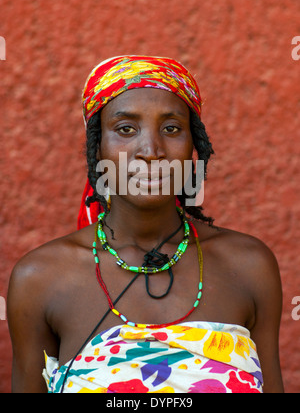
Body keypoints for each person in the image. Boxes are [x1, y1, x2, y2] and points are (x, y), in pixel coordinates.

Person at [7, 56, 284, 393]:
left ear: (193, 145)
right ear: (98, 147)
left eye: (171, 128)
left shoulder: (249, 266)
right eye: (126, 129)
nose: (151, 151)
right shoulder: (40, 279)